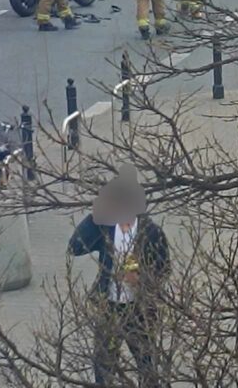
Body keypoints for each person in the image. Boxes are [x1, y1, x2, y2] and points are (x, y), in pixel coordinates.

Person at [68, 165, 170, 388]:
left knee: (147, 365)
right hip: (109, 307)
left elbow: (164, 268)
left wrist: (142, 279)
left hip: (139, 310)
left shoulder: (151, 232)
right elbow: (75, 247)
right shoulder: (105, 227)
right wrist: (94, 216)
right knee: (103, 365)